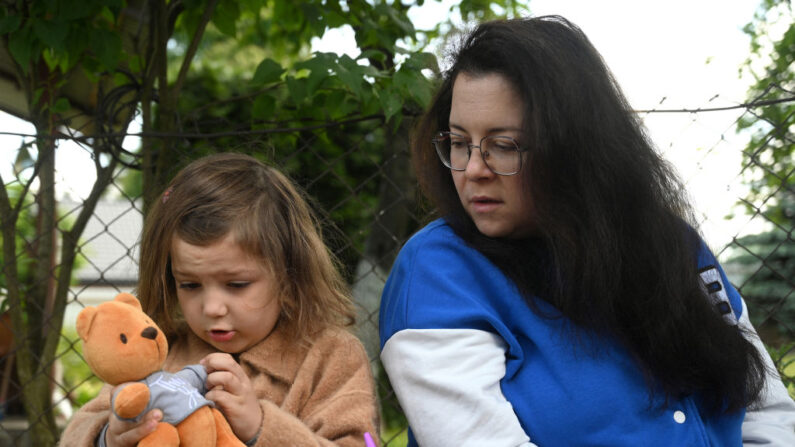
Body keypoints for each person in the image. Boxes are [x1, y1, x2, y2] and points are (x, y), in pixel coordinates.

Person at [379, 15, 795, 447]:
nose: (474, 170)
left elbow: (767, 412)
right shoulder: (442, 273)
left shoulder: (675, 246)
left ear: (576, 148)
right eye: (459, 143)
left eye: (504, 146)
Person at [62, 153, 380, 446]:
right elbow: (82, 427)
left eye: (237, 284)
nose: (212, 308)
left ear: (288, 275)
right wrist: (108, 437)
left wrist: (261, 427)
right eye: (189, 285)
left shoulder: (330, 356)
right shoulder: (158, 349)